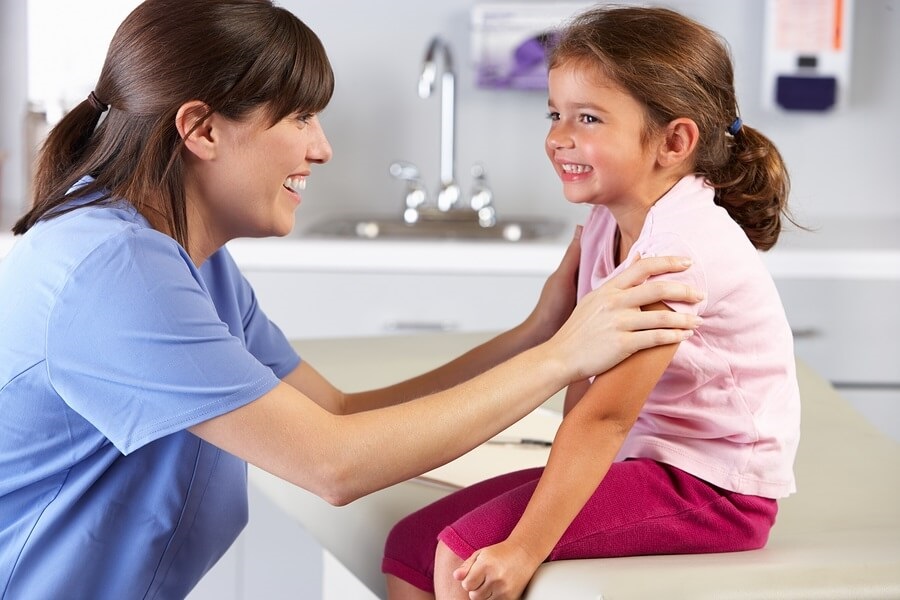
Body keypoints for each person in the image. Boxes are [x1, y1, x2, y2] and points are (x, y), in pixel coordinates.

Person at [0, 1, 704, 598]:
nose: (323, 147)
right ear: (203, 129)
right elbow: (333, 463)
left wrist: (537, 333)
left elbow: (334, 412)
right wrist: (559, 360)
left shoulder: (182, 260)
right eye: (300, 117)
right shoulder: (115, 274)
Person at [382, 6, 802, 600]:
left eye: (588, 117)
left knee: (462, 558)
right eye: (555, 113)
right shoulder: (607, 221)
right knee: (411, 545)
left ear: (674, 141)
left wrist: (524, 546)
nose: (558, 136)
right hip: (645, 464)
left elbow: (607, 415)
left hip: (715, 492)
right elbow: (581, 372)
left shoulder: (679, 254)